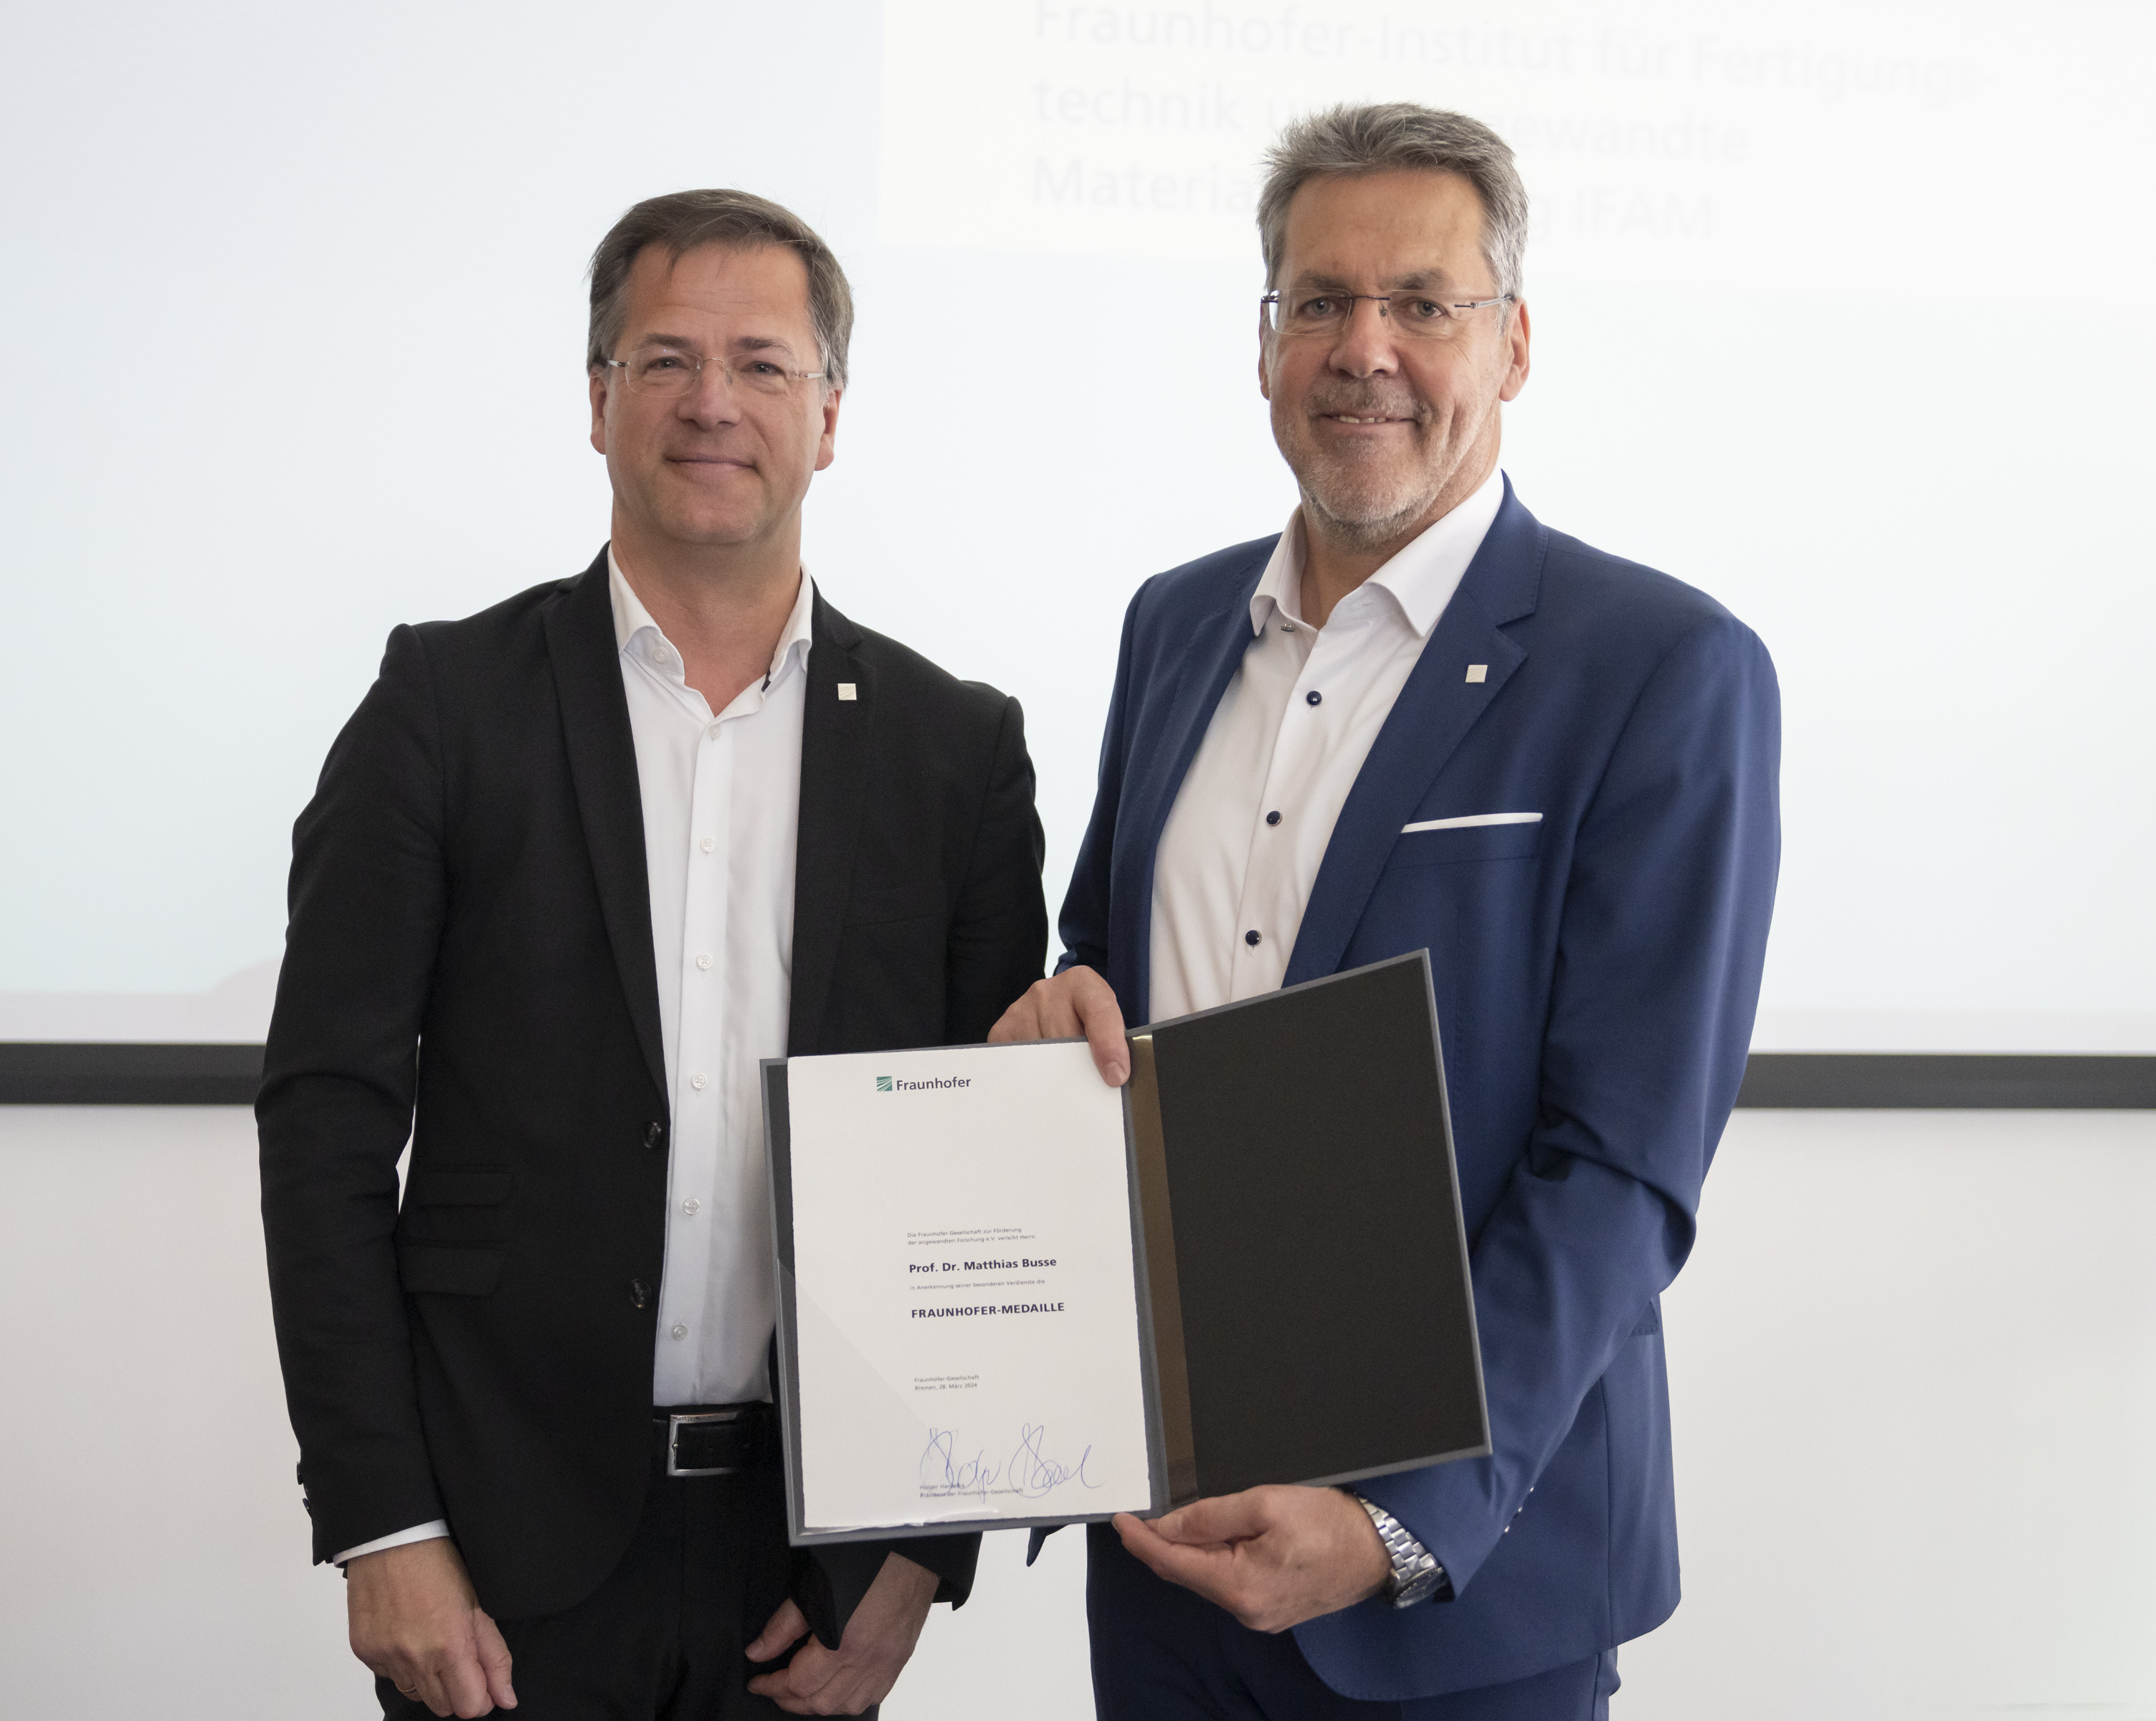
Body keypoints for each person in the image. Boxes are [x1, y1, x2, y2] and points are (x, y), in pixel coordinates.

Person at [991, 103, 1780, 1719]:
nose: (1365, 349)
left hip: (1462, 1595)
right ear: (1264, 338)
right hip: (1167, 1557)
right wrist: (1060, 997)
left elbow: (1620, 1169)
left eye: (1422, 303)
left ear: (1512, 343)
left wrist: (1396, 1519)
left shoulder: (1660, 670)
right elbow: (1107, 954)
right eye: (1317, 302)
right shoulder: (1172, 625)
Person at [259, 189, 1046, 1719]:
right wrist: (382, 1524)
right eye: (663, 358)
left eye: (761, 363)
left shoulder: (958, 753)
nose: (710, 403)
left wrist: (917, 1564)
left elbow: (992, 1179)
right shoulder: (443, 706)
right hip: (495, 1557)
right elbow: (325, 1128)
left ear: (830, 415)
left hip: (813, 1562)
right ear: (598, 400)